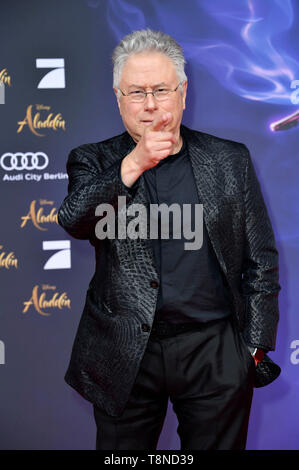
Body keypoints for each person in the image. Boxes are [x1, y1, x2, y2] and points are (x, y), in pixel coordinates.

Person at [57, 29, 281, 450]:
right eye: (136, 92)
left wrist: (253, 346)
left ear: (182, 91)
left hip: (213, 351)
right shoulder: (93, 160)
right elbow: (74, 219)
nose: (150, 104)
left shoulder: (229, 159)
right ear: (118, 98)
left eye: (160, 89)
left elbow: (261, 259)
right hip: (124, 351)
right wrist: (135, 162)